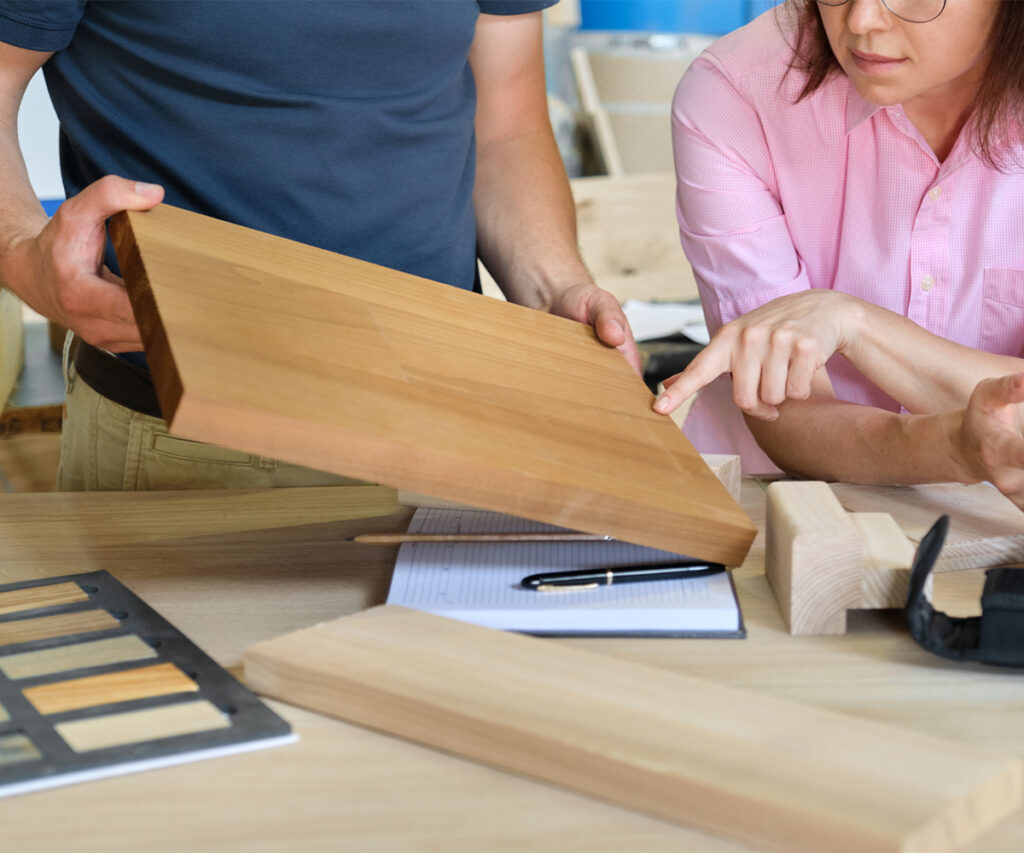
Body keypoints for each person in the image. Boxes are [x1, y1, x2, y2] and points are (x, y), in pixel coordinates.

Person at [0, 1, 639, 490]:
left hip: (446, 413)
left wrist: (556, 288)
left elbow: (505, 124)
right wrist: (28, 257)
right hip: (184, 430)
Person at [653, 0, 1024, 507]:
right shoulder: (736, 91)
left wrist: (856, 324)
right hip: (775, 505)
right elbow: (781, 409)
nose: (860, 21)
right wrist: (952, 447)